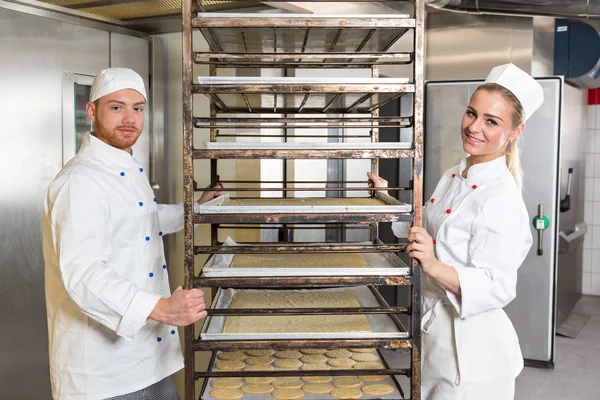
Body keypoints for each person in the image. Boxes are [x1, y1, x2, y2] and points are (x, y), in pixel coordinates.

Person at [43, 68, 222, 400]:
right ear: (92, 111)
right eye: (116, 107)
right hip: (103, 373)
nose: (129, 118)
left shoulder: (126, 166)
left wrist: (195, 211)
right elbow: (85, 275)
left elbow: (142, 221)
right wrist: (164, 310)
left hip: (152, 361)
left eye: (137, 108)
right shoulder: (80, 181)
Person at [368, 63, 544, 399]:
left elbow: (498, 286)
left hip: (471, 352)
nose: (474, 127)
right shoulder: (454, 173)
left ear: (515, 131)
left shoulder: (501, 197)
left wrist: (433, 266)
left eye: (491, 121)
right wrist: (386, 200)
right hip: (435, 333)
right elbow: (428, 236)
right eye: (471, 113)